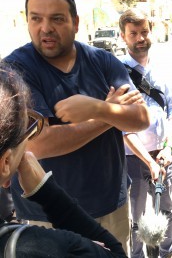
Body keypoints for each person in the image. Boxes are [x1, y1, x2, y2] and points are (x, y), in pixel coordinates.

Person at [3, 0, 150, 254]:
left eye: (57, 19)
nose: (45, 28)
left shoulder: (101, 60)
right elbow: (39, 143)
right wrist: (109, 114)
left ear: (76, 23)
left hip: (111, 207)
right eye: (36, 18)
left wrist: (96, 107)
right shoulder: (15, 69)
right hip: (47, 216)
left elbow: (141, 118)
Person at [0, 62, 127, 257]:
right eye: (28, 128)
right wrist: (47, 194)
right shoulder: (45, 247)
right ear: (6, 163)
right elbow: (116, 253)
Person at [118, 9, 172, 258]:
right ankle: (136, 255)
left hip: (163, 157)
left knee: (165, 209)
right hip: (132, 160)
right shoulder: (117, 73)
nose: (140, 38)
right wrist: (148, 161)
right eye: (133, 33)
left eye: (144, 32)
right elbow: (124, 129)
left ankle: (167, 252)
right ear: (124, 37)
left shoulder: (162, 72)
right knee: (134, 215)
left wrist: (168, 148)